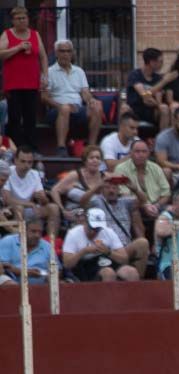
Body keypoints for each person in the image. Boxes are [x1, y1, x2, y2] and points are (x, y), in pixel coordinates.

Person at [0, 6, 48, 149]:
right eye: (18, 18)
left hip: (31, 82)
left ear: (28, 19)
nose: (22, 21)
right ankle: (17, 147)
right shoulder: (7, 34)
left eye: (24, 18)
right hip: (14, 83)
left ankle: (32, 146)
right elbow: (0, 53)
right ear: (13, 21)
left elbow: (43, 56)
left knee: (30, 117)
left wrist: (45, 75)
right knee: (15, 117)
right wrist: (17, 48)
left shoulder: (35, 34)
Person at [43, 39, 102, 154]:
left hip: (78, 108)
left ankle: (91, 147)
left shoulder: (79, 71)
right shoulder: (49, 72)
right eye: (62, 51)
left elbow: (85, 93)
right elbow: (44, 97)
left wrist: (91, 100)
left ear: (72, 53)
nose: (65, 54)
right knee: (65, 108)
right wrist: (61, 106)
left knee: (97, 107)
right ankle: (61, 148)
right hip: (57, 110)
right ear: (56, 53)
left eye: (68, 51)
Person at [89, 173, 151, 277]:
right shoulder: (97, 201)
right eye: (107, 188)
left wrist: (135, 189)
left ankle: (138, 280)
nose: (111, 190)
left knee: (143, 243)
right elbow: (82, 202)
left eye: (114, 188)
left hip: (125, 247)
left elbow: (144, 200)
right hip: (105, 248)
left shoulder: (125, 202)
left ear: (119, 190)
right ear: (102, 190)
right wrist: (98, 186)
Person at [61, 207, 137, 282]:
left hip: (106, 260)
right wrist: (84, 251)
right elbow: (67, 264)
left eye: (98, 229)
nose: (94, 232)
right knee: (108, 273)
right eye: (92, 228)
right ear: (86, 221)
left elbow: (124, 259)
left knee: (131, 272)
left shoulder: (108, 232)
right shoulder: (73, 234)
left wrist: (108, 252)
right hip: (85, 266)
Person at [3, 146, 60, 239]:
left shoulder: (35, 174)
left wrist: (43, 198)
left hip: (30, 209)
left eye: (30, 162)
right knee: (19, 209)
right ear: (15, 160)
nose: (27, 165)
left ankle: (50, 243)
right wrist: (30, 204)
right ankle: (20, 243)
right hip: (12, 209)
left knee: (53, 208)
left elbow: (44, 201)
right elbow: (7, 199)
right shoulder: (8, 172)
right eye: (23, 161)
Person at [116, 139, 171, 225]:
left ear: (148, 153)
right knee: (134, 210)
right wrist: (145, 206)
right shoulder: (121, 169)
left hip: (157, 205)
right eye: (137, 151)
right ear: (130, 153)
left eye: (144, 151)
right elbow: (125, 195)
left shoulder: (155, 168)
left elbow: (166, 193)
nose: (141, 155)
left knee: (174, 209)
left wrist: (156, 206)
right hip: (135, 207)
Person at [51, 145, 105, 228]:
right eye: (91, 158)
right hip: (76, 213)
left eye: (98, 158)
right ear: (85, 161)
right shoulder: (75, 175)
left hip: (98, 214)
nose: (95, 160)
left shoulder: (105, 176)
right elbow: (55, 190)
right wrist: (62, 210)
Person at [123, 47, 167, 132]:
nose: (162, 64)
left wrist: (153, 101)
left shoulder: (158, 78)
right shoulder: (135, 75)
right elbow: (145, 96)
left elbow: (158, 101)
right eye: (160, 61)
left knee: (164, 108)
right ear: (152, 62)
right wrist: (163, 82)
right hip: (135, 110)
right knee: (124, 108)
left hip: (152, 112)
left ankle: (162, 140)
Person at [0, 218, 52, 285]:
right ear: (22, 230)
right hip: (11, 284)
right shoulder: (8, 241)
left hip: (41, 287)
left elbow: (58, 270)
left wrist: (49, 276)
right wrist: (26, 272)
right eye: (33, 231)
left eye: (40, 232)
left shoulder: (47, 246)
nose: (37, 235)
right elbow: (3, 267)